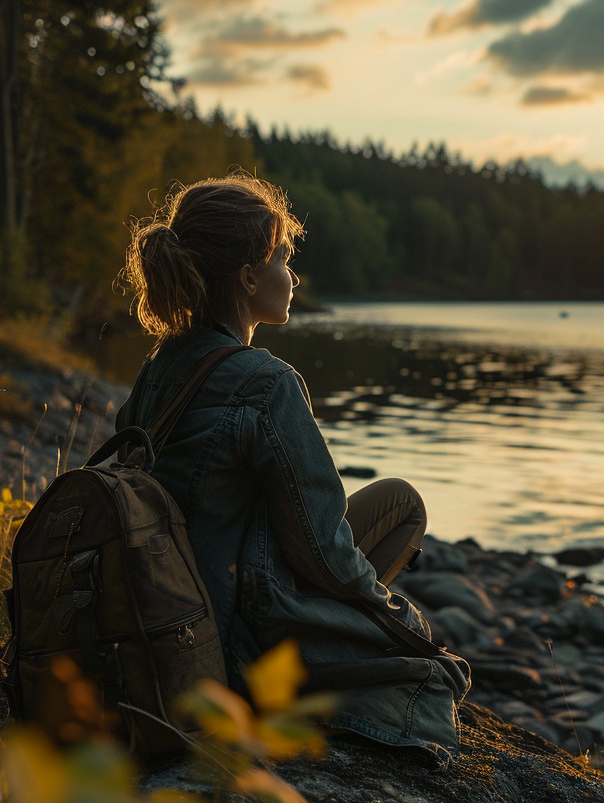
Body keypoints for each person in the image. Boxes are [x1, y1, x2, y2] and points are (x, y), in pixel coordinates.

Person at [116, 174, 469, 768]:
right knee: (433, 669)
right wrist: (390, 616)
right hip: (237, 633)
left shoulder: (158, 367)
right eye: (283, 257)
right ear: (248, 277)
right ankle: (296, 679)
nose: (294, 276)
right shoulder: (267, 382)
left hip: (168, 604)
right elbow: (323, 548)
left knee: (399, 503)